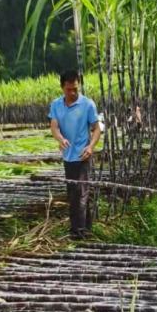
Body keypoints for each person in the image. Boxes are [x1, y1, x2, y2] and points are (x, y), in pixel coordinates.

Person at [48, 70, 101, 239]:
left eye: (75, 89)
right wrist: (60, 139)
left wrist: (91, 147)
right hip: (68, 156)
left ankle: (79, 231)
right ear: (62, 87)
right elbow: (54, 126)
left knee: (81, 192)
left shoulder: (88, 104)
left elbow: (97, 128)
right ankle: (82, 227)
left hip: (83, 155)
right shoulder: (56, 105)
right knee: (73, 193)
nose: (72, 93)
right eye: (69, 89)